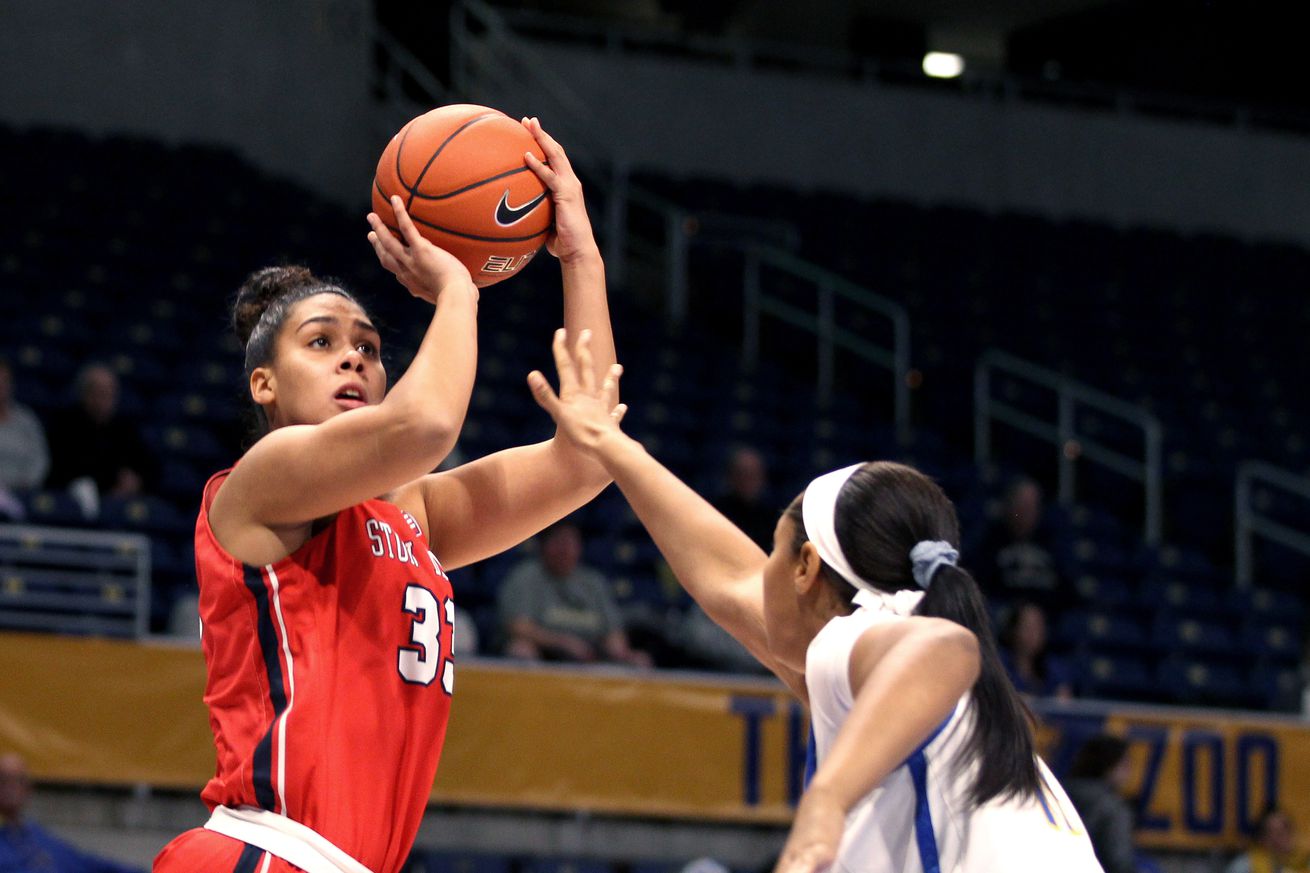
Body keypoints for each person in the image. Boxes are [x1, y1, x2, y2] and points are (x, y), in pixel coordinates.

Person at [153, 119, 619, 873]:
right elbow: (426, 424)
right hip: (265, 849)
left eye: (367, 347)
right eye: (322, 342)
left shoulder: (411, 515)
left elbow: (590, 457)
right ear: (263, 384)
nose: (353, 359)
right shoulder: (261, 481)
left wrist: (581, 256)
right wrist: (459, 289)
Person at [527, 342, 1105, 873]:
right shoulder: (878, 669)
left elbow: (945, 649)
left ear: (805, 567)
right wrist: (613, 448)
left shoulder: (858, 633)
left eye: (773, 553)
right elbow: (727, 579)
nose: (759, 574)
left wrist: (825, 803)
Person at [498, 520, 652, 667]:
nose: (565, 550)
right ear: (543, 545)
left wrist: (620, 653)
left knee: (639, 660)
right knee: (520, 650)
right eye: (559, 542)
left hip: (590, 658)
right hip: (544, 655)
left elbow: (613, 634)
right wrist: (563, 642)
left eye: (571, 543)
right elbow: (518, 627)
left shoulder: (593, 582)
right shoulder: (526, 576)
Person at [0, 752, 143, 872]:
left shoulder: (36, 834)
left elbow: (85, 862)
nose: (11, 788)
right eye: (3, 780)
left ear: (28, 789)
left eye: (18, 781)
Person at [44, 362, 157, 501]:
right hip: (78, 497)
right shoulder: (65, 424)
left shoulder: (124, 428)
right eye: (98, 392)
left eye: (109, 393)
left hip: (119, 498)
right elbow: (64, 468)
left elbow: (148, 465)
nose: (104, 399)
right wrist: (110, 483)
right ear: (85, 393)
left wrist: (135, 480)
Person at [971, 476, 1065, 608]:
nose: (1027, 514)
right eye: (1023, 507)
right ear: (1010, 507)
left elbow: (1065, 590)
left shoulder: (1051, 542)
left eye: (1032, 507)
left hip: (1045, 613)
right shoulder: (990, 541)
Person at [1063, 735, 1138, 873]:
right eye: (1125, 765)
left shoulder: (1054, 795)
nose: (1129, 772)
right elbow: (1119, 862)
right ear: (1109, 767)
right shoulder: (1113, 809)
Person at [0, 358, 49, 520]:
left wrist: (28, 482)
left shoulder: (26, 419)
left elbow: (40, 458)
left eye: (4, 381)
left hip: (25, 493)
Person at [999, 600, 1075, 700]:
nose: (1035, 634)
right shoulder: (999, 665)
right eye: (1028, 627)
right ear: (1013, 630)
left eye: (1039, 627)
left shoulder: (1056, 668)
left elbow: (1063, 701)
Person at [711, 445, 774, 550]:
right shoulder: (716, 513)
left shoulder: (772, 517)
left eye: (753, 474)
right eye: (742, 473)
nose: (748, 480)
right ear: (731, 477)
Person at [1224, 808, 1310, 873]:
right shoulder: (1245, 865)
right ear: (1262, 839)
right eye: (1275, 832)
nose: (1283, 835)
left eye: (1286, 828)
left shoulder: (1306, 862)